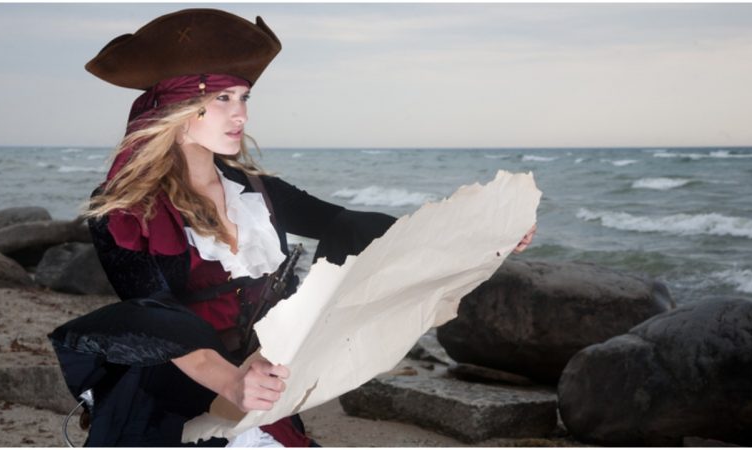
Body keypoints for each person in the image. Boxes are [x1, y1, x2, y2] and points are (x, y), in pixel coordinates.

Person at [49, 7, 536, 447]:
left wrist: (478, 237)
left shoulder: (255, 192)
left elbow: (348, 224)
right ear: (178, 109)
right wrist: (231, 382)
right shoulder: (125, 210)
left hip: (260, 389)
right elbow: (153, 316)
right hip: (175, 396)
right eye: (223, 98)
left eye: (244, 97)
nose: (241, 114)